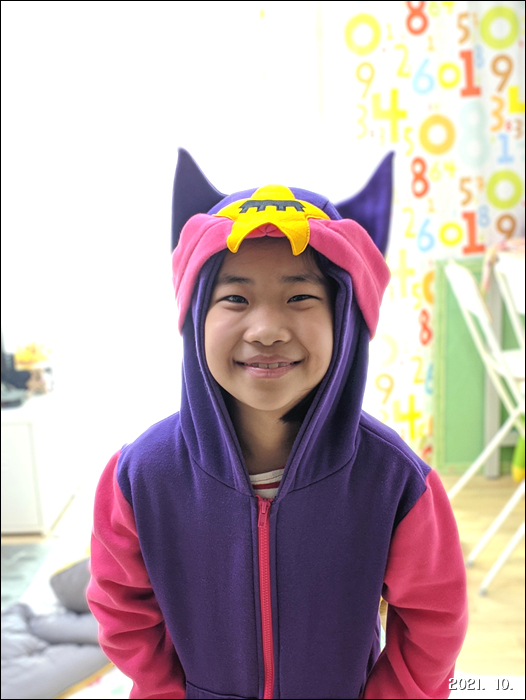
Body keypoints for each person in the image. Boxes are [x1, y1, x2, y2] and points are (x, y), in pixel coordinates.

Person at [87, 149, 468, 699]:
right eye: (235, 297)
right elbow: (122, 609)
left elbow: (435, 620)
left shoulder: (395, 482)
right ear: (196, 317)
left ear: (346, 317)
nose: (266, 328)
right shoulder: (139, 477)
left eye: (300, 296)